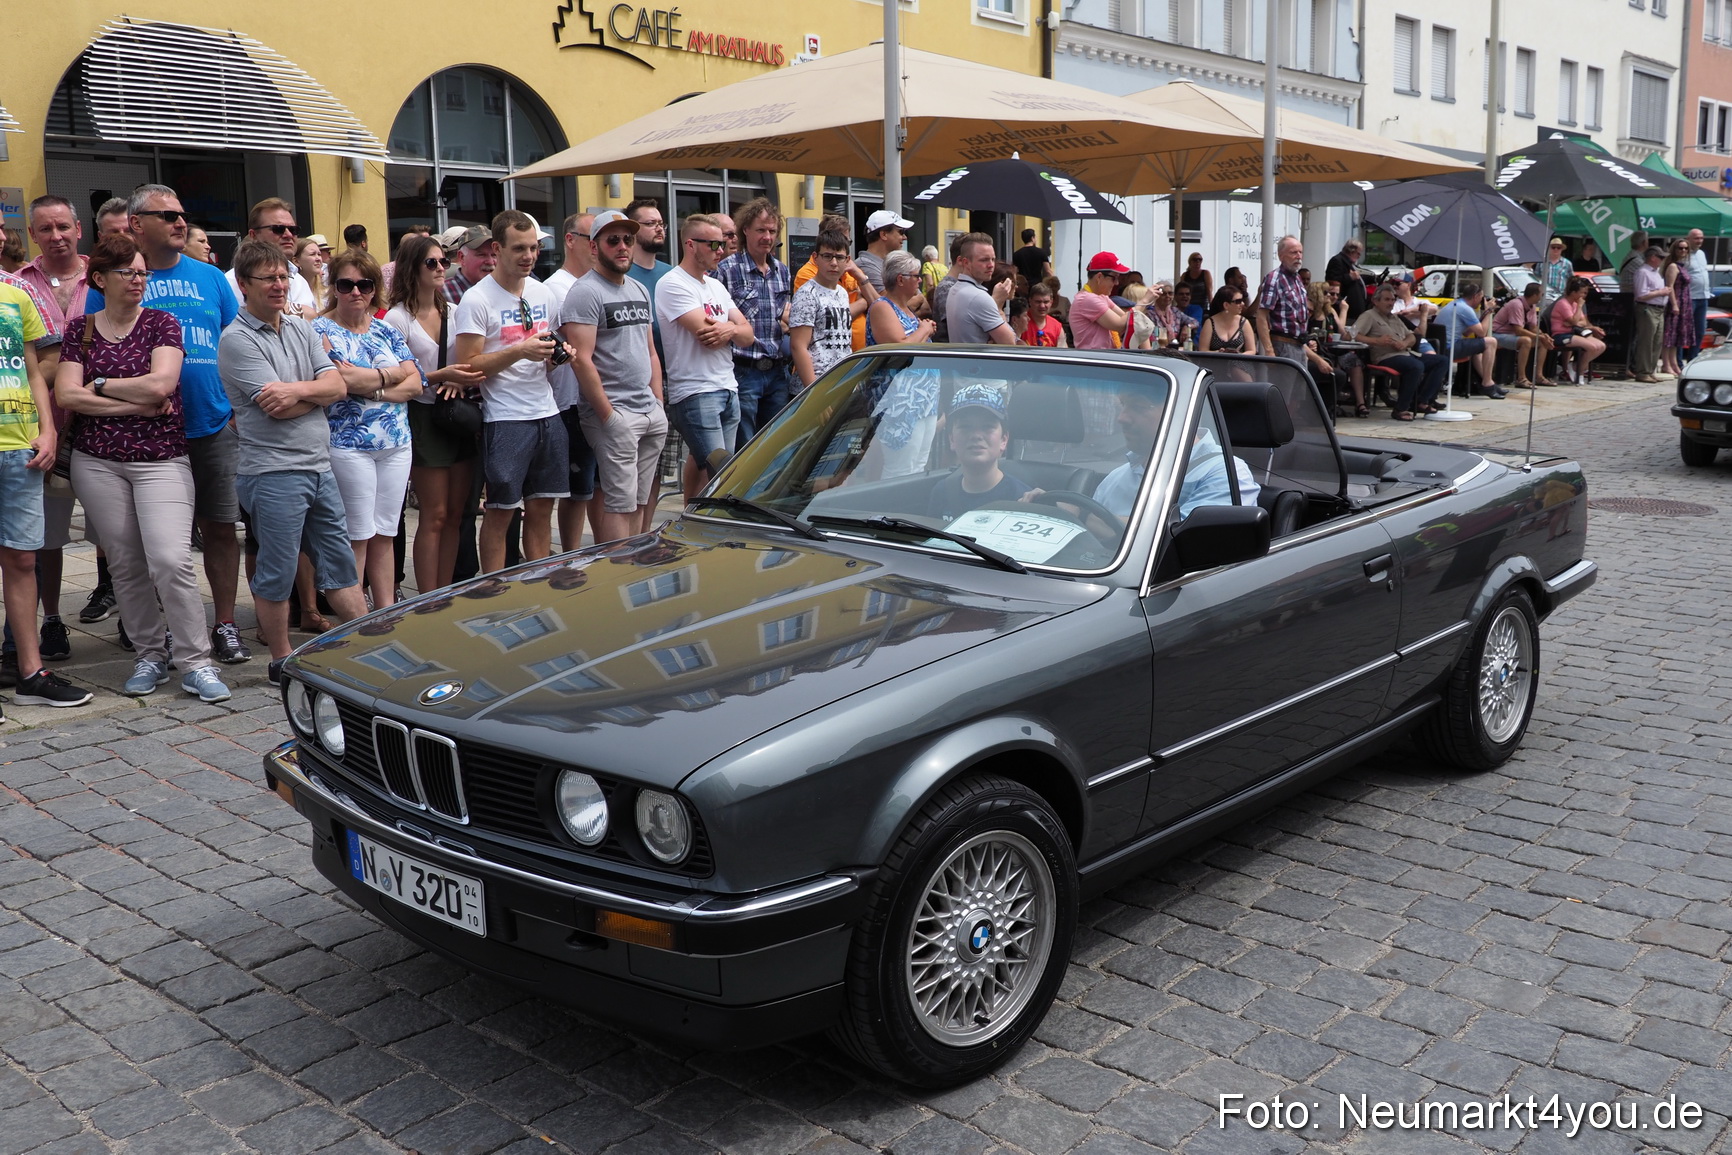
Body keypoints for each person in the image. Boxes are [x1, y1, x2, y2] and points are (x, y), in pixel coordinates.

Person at [55, 233, 229, 702]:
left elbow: (161, 386)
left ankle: (196, 662)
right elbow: (66, 395)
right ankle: (150, 654)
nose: (138, 279)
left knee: (170, 559)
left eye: (141, 272)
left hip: (161, 459)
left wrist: (101, 383)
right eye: (127, 272)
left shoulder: (160, 323)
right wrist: (130, 404)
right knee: (126, 562)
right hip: (97, 462)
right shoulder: (80, 330)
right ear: (99, 279)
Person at [101, 184, 250, 664]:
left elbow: (237, 339)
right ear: (137, 224)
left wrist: (237, 409)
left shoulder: (210, 277)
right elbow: (95, 344)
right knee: (153, 541)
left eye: (181, 214)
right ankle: (155, 627)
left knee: (220, 527)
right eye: (166, 216)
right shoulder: (122, 276)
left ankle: (224, 623)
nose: (180, 222)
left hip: (213, 422)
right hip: (145, 430)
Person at [218, 239, 366, 683]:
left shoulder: (302, 328)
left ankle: (366, 646)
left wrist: (299, 391)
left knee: (340, 563)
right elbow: (274, 407)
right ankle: (281, 659)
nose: (280, 285)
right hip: (273, 473)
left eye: (284, 276)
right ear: (245, 284)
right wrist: (317, 393)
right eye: (269, 278)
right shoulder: (236, 340)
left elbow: (338, 387)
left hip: (318, 466)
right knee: (278, 570)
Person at [454, 210, 572, 573]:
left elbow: (545, 351)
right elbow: (467, 367)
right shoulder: (477, 299)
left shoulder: (542, 292)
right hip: (505, 419)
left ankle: (539, 581)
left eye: (534, 248)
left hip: (547, 412)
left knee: (542, 509)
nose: (529, 256)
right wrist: (520, 350)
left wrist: (559, 355)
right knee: (501, 511)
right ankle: (492, 587)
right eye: (519, 248)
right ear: (497, 249)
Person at [0, 252, 90, 710]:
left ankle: (30, 673)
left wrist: (48, 429)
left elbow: (33, 368)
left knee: (21, 559)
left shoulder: (15, 294)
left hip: (20, 445)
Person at [312, 249, 420, 608]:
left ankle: (384, 612)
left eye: (364, 284)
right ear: (334, 287)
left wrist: (372, 385)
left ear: (375, 289)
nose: (356, 292)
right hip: (349, 444)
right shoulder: (319, 329)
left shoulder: (385, 328)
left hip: (397, 443)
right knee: (358, 534)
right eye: (346, 284)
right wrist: (392, 375)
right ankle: (355, 618)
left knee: (386, 532)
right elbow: (342, 382)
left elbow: (415, 383)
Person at [560, 210, 668, 544]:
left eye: (627, 239)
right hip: (614, 414)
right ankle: (617, 568)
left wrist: (658, 404)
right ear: (594, 247)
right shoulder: (586, 292)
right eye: (613, 240)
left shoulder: (639, 289)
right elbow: (581, 360)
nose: (622, 246)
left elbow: (650, 351)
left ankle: (631, 564)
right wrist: (608, 415)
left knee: (639, 500)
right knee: (620, 504)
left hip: (648, 410)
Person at [383, 236, 484, 594]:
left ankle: (446, 592)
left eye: (444, 261)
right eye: (432, 263)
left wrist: (460, 377)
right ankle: (426, 597)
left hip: (459, 414)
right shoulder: (397, 318)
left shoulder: (455, 310)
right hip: (423, 416)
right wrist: (444, 375)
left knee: (457, 514)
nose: (441, 268)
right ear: (412, 268)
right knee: (434, 514)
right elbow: (398, 376)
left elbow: (473, 359)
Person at [17, 195, 95, 658]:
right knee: (45, 536)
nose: (56, 236)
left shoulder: (101, 276)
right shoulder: (18, 283)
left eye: (63, 226)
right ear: (33, 234)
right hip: (43, 428)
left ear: (78, 229)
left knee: (116, 532)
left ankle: (134, 617)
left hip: (101, 426)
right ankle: (51, 619)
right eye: (45, 229)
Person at [657, 214, 755, 499]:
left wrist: (730, 329)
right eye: (713, 244)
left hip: (727, 386)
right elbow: (707, 335)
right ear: (690, 245)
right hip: (696, 391)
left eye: (722, 243)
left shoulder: (716, 286)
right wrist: (732, 328)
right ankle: (708, 521)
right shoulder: (673, 283)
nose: (721, 250)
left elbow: (748, 335)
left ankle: (692, 516)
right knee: (721, 472)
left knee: (712, 468)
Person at [1093, 388, 1259, 521]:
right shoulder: (1116, 477)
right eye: (1122, 405)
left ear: (1183, 410)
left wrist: (1086, 518)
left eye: (1138, 406)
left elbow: (1180, 539)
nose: (1122, 418)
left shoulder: (1226, 473)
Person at [543, 212, 600, 552]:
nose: (597, 247)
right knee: (576, 490)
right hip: (568, 401)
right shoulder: (556, 288)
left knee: (595, 487)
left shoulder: (598, 284)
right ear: (570, 240)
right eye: (592, 238)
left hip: (595, 397)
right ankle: (571, 555)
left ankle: (599, 552)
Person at [716, 197, 795, 439]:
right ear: (745, 230)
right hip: (743, 371)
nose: (767, 237)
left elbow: (783, 317)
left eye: (772, 231)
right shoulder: (726, 269)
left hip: (777, 372)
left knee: (776, 442)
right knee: (744, 444)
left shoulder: (782, 271)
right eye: (761, 230)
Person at [864, 249, 940, 479]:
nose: (920, 280)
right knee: (900, 468)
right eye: (916, 276)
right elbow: (900, 348)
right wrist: (924, 329)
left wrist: (923, 331)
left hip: (923, 401)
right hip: (900, 403)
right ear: (901, 279)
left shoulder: (906, 310)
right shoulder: (882, 307)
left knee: (918, 466)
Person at [926, 384, 1030, 521]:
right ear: (952, 439)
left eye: (987, 427)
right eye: (965, 427)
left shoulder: (1022, 499)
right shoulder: (941, 492)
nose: (976, 435)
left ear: (1004, 439)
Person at [1353, 283, 1448, 420]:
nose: (1391, 303)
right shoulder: (1369, 315)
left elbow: (1412, 336)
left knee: (1441, 361)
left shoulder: (1395, 318)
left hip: (1406, 353)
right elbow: (1353, 335)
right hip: (1385, 356)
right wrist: (1376, 341)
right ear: (1375, 301)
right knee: (1415, 366)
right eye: (1387, 299)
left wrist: (1404, 343)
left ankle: (1420, 401)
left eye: (1393, 300)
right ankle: (1401, 408)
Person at [790, 228, 867, 390]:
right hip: (815, 385)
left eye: (839, 257)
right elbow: (798, 346)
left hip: (840, 382)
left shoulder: (842, 292)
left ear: (847, 260)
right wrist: (814, 392)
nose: (833, 263)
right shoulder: (807, 294)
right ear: (815, 258)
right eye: (827, 256)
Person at [225, 198, 318, 320]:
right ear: (253, 235)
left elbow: (312, 318)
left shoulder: (299, 281)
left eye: (293, 230)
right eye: (278, 229)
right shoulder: (230, 282)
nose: (288, 235)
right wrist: (292, 309)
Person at [624, 197, 674, 359]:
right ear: (633, 229)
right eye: (651, 223)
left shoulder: (672, 274)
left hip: (674, 365)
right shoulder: (621, 275)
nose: (659, 229)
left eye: (661, 224)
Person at [945, 234, 1015, 345]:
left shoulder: (955, 289)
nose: (991, 265)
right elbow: (1010, 343)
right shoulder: (978, 297)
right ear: (966, 262)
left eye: (993, 259)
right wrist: (997, 304)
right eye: (984, 260)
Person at [1438, 282, 1503, 399]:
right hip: (1449, 348)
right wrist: (1488, 311)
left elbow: (1467, 332)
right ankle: (1487, 383)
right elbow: (1482, 333)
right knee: (1491, 342)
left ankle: (1489, 382)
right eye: (1481, 297)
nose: (1482, 300)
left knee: (1477, 349)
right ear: (1475, 296)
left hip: (1442, 346)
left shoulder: (1456, 304)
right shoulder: (1465, 309)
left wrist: (1483, 315)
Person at [1255, 236, 1310, 368]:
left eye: (1300, 252)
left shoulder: (1297, 278)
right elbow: (1261, 316)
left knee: (1301, 383)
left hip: (1300, 345)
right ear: (1281, 256)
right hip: (1283, 345)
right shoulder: (1274, 279)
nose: (1298, 256)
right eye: (1293, 252)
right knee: (1283, 382)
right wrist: (1269, 351)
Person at [1492, 282, 1555, 388]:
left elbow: (1533, 327)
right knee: (1526, 341)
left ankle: (1539, 376)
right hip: (1497, 334)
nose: (1542, 297)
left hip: (1511, 335)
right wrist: (1539, 336)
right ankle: (1521, 378)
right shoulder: (1516, 304)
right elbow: (1518, 330)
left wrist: (1544, 335)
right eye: (1541, 294)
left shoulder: (1532, 306)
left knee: (1542, 341)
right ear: (1534, 295)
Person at [1548, 276, 1606, 385]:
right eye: (1582, 293)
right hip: (1561, 335)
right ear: (1573, 292)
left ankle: (1576, 367)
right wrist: (1579, 308)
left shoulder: (1574, 304)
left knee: (1601, 346)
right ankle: (1579, 372)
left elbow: (1583, 322)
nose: (1584, 296)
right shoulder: (1563, 303)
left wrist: (1573, 322)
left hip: (1573, 332)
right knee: (1592, 347)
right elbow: (1575, 321)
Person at [1068, 251, 1132, 350]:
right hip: (1093, 358)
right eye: (1114, 278)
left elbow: (1126, 319)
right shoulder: (1087, 299)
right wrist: (1144, 302)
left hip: (1103, 356)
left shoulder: (1101, 297)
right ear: (1099, 277)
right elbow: (1120, 325)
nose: (1116, 283)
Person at [1629, 246, 1670, 384]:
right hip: (1647, 309)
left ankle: (1650, 371)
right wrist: (1661, 292)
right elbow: (1641, 295)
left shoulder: (1656, 272)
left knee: (1657, 341)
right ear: (1652, 257)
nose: (1663, 260)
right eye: (1661, 257)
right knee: (1646, 341)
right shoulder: (1643, 272)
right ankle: (1642, 372)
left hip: (1659, 309)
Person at [854, 209, 910, 294]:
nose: (905, 237)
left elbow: (920, 298)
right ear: (883, 235)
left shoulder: (894, 263)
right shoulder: (864, 264)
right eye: (901, 232)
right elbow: (889, 300)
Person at [439, 225, 496, 305]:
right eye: (481, 255)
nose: (490, 262)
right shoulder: (441, 293)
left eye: (494, 255)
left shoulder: (506, 290)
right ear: (462, 257)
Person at [1663, 239, 1695, 378]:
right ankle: (1666, 364)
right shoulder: (1673, 266)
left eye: (1686, 248)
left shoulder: (1682, 266)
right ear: (1674, 250)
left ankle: (1674, 363)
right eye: (1680, 248)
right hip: (1675, 303)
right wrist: (1674, 304)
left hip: (1685, 303)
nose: (1683, 251)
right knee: (1669, 336)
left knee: (1677, 337)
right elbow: (1669, 287)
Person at [1198, 284, 1258, 355]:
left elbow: (1251, 350)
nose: (1242, 303)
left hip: (1239, 362)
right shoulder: (1210, 323)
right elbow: (1203, 350)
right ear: (1226, 305)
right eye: (1238, 301)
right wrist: (1218, 353)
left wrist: (1239, 355)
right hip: (1216, 361)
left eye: (1242, 300)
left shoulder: (1244, 322)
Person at [1323, 239, 1369, 320]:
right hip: (1345, 309)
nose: (1359, 256)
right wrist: (1349, 277)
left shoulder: (1350, 263)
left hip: (1354, 310)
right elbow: (1332, 282)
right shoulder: (1337, 261)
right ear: (1351, 251)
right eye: (1358, 253)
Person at [1686, 228, 1711, 363]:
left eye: (1701, 238)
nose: (1699, 241)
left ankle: (1693, 359)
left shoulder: (1701, 253)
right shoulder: (1683, 254)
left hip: (1703, 297)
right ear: (1688, 239)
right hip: (1689, 298)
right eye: (1696, 238)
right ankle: (1678, 362)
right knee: (1685, 331)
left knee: (1700, 331)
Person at [1020, 282, 1065, 347]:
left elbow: (1062, 351)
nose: (1042, 306)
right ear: (1030, 301)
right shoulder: (1020, 321)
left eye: (1046, 302)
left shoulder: (1057, 327)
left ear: (1051, 302)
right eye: (1038, 302)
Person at [1540, 238, 1573, 303]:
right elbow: (1536, 279)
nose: (1556, 249)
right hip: (1544, 296)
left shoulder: (1567, 263)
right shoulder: (1542, 262)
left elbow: (1571, 281)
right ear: (1549, 248)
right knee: (1540, 309)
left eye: (1558, 248)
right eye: (1553, 247)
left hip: (1561, 296)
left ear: (1561, 249)